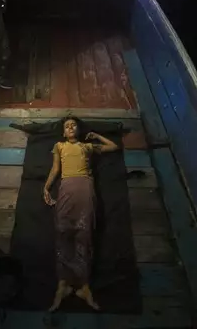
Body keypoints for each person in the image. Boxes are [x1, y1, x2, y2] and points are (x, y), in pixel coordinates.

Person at [43, 117, 119, 312]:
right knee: (62, 231)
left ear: (78, 130)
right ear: (63, 132)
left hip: (85, 186)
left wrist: (96, 136)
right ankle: (63, 284)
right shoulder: (58, 146)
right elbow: (55, 169)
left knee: (84, 234)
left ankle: (84, 286)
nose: (70, 127)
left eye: (73, 125)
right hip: (66, 187)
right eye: (66, 126)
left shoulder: (87, 146)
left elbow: (113, 147)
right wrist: (46, 187)